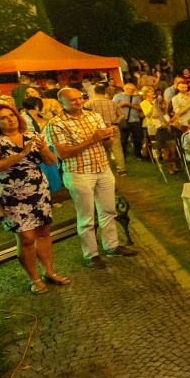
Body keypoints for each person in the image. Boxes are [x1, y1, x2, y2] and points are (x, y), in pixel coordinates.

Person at [0, 104, 66, 294]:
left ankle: (49, 271)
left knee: (43, 231)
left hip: (38, 189)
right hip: (11, 193)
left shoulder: (31, 136)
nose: (10, 119)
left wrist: (43, 148)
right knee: (26, 237)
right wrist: (22, 154)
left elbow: (51, 161)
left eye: (12, 115)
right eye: (3, 117)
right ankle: (33, 278)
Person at [46, 88, 137, 269]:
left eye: (81, 98)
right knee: (86, 217)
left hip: (102, 169)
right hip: (79, 173)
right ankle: (91, 255)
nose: (79, 102)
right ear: (62, 103)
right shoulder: (56, 123)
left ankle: (111, 246)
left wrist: (109, 137)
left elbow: (106, 144)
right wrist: (92, 139)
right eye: (73, 100)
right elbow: (63, 153)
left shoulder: (93, 116)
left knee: (108, 211)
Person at [84, 83, 127, 176]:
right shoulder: (112, 103)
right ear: (104, 93)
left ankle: (105, 168)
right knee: (117, 148)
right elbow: (122, 114)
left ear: (95, 92)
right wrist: (115, 121)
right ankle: (121, 169)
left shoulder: (88, 103)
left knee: (101, 149)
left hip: (97, 129)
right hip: (112, 127)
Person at [113, 84, 145, 161]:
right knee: (123, 140)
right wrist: (122, 104)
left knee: (137, 139)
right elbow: (113, 107)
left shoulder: (137, 97)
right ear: (126, 89)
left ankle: (138, 154)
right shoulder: (117, 96)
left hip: (135, 120)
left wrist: (130, 105)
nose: (134, 91)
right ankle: (123, 156)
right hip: (124, 121)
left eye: (135, 89)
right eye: (132, 89)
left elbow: (140, 107)